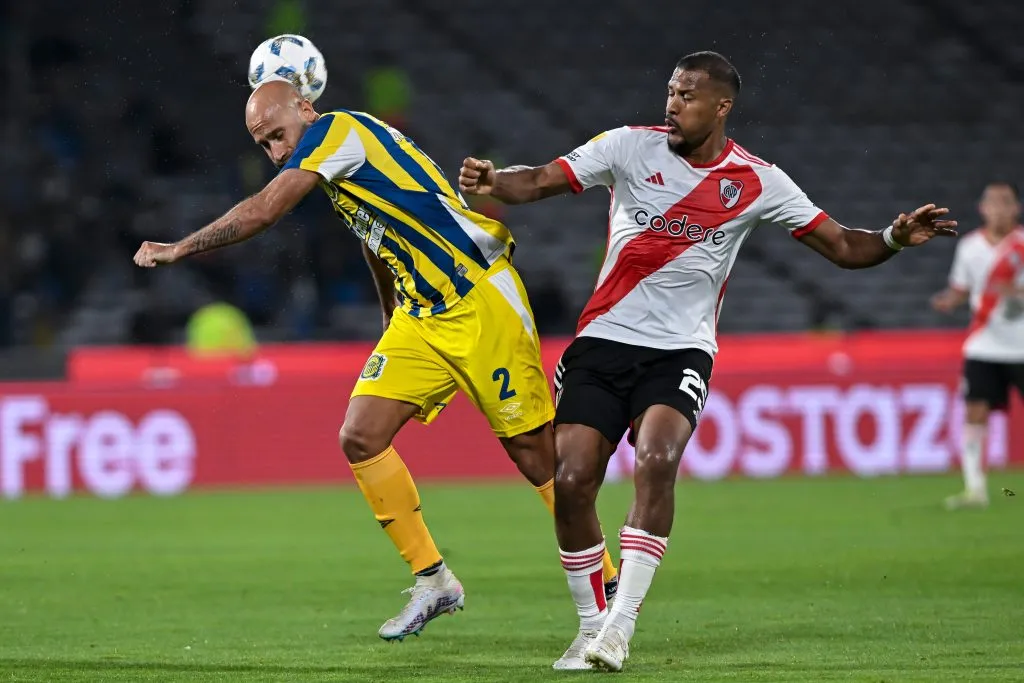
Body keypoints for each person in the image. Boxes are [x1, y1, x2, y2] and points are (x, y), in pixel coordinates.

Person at [459, 51, 958, 672]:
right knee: (572, 479)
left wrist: (891, 238)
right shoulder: (626, 147)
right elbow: (537, 180)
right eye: (670, 91)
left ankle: (619, 628)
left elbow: (842, 246)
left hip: (680, 350)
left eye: (688, 95)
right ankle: (588, 623)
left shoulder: (757, 181)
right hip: (603, 341)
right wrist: (492, 180)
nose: (673, 103)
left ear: (721, 106)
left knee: (658, 458)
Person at [132, 79, 618, 641]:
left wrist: (179, 248)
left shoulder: (339, 130)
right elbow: (377, 237)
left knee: (536, 456)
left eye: (277, 135)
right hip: (421, 314)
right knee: (360, 435)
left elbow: (264, 211)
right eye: (263, 145)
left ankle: (607, 585)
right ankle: (434, 580)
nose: (275, 152)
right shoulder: (339, 162)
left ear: (305, 109)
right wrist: (390, 313)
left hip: (479, 296)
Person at [931, 181, 1024, 510]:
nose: (998, 208)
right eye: (992, 203)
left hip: (1022, 346)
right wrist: (948, 300)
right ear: (982, 209)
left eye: (1005, 202)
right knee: (975, 412)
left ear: (1016, 207)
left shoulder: (1022, 245)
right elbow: (961, 288)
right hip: (984, 344)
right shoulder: (969, 246)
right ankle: (975, 489)